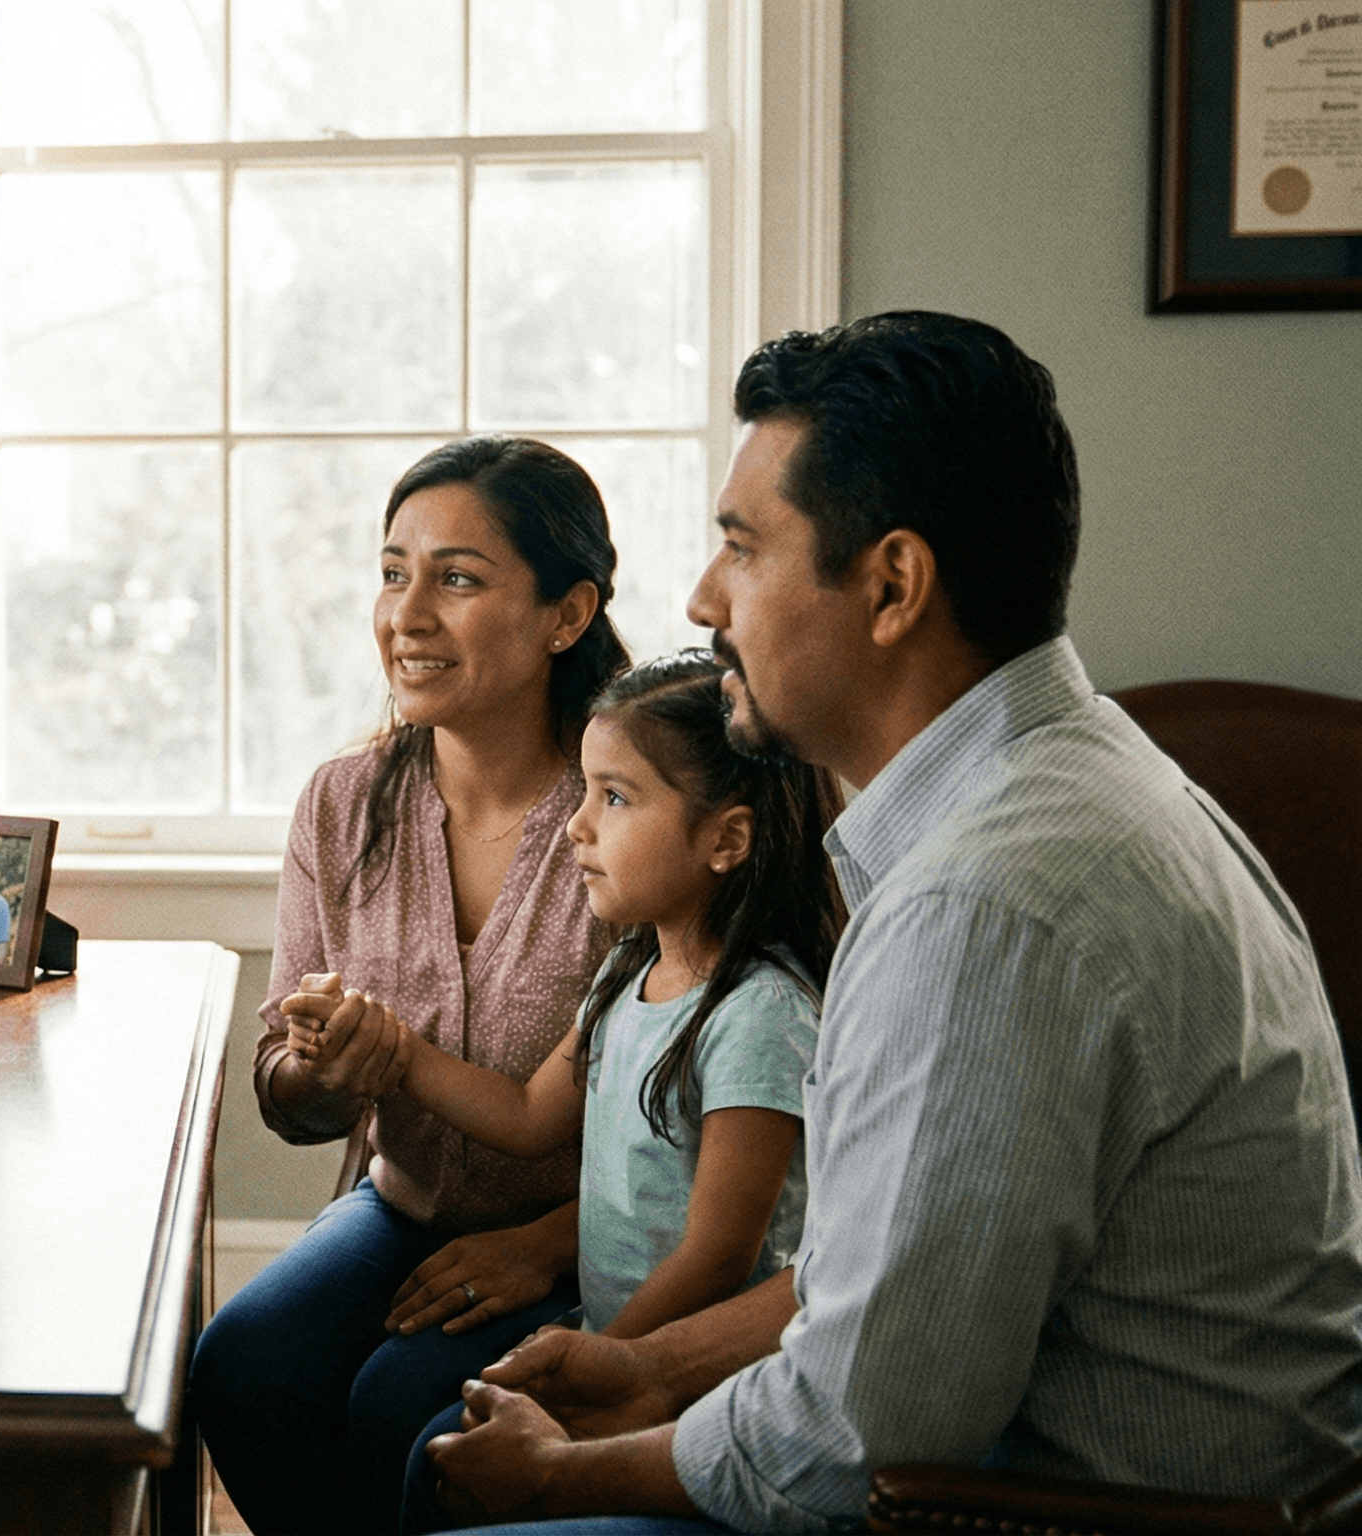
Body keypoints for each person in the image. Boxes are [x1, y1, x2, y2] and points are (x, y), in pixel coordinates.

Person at [426, 312, 1362, 1532]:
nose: (706, 600)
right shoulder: (1087, 770)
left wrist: (558, 1477)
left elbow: (849, 1441)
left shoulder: (983, 907)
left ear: (890, 586)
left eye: (742, 550)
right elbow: (892, 1285)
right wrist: (653, 1371)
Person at [188, 436, 631, 1535]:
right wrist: (320, 1073)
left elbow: (708, 1113)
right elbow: (283, 1091)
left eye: (457, 579)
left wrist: (547, 1244)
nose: (406, 614)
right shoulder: (341, 805)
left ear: (564, 616)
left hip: (598, 1231)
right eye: (392, 573)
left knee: (403, 1406)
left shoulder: (637, 811)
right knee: (240, 1366)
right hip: (401, 1208)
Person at [297, 651, 840, 1529]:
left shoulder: (761, 1016)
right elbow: (524, 1117)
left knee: (442, 1466)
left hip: (694, 1378)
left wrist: (598, 1359)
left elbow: (719, 1256)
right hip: (611, 1339)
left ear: (726, 840)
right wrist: (391, 1047)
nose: (575, 827)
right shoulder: (629, 972)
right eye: (584, 792)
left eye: (614, 798)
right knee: (429, 1450)